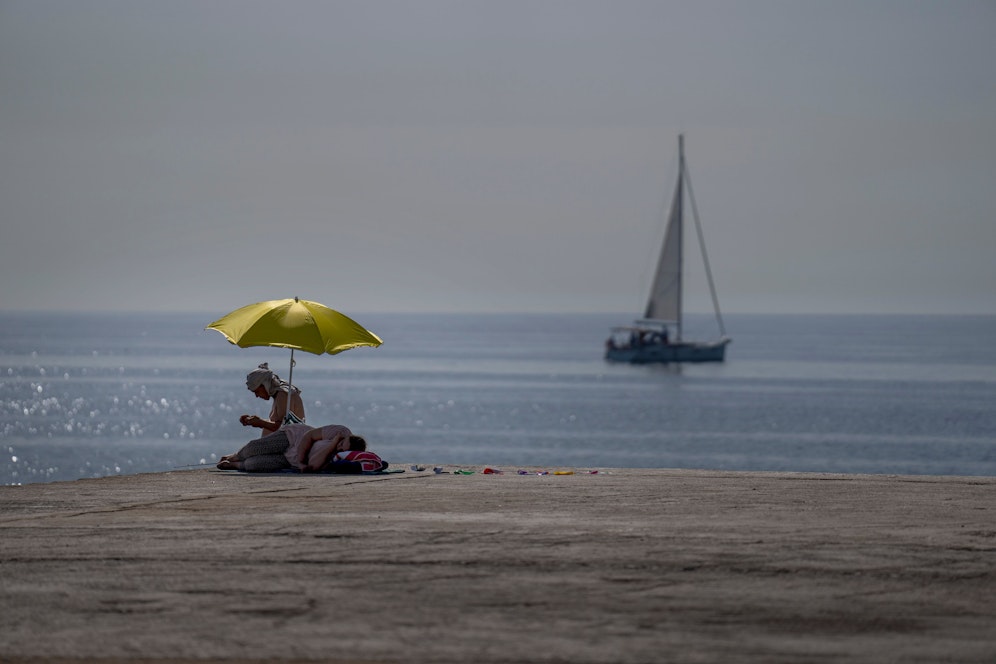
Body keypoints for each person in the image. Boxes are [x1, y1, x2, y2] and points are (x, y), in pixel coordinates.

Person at [217, 422, 366, 473]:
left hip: (291, 460)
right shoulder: (340, 431)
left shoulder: (336, 458)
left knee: (254, 465)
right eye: (342, 443)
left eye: (342, 449)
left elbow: (313, 465)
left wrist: (333, 446)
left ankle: (235, 465)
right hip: (294, 438)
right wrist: (301, 461)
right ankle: (236, 456)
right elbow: (309, 436)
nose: (340, 447)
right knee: (254, 448)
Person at [239, 363, 305, 433]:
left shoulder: (283, 395)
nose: (257, 396)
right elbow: (278, 423)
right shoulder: (279, 393)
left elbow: (283, 427)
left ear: (265, 385)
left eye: (257, 391)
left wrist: (260, 422)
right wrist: (255, 421)